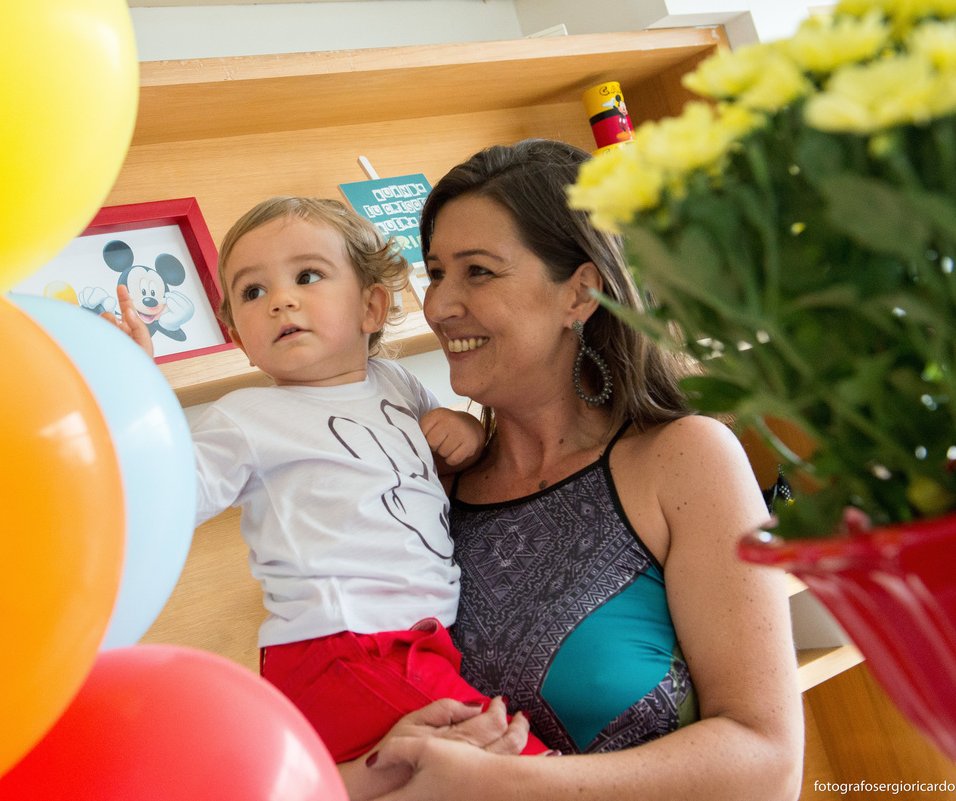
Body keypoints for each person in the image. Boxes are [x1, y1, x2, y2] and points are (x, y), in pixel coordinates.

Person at [336, 140, 804, 801]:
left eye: (478, 272)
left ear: (579, 292)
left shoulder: (684, 458)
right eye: (436, 272)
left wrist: (511, 781)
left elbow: (768, 761)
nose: (440, 304)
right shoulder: (429, 485)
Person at [105, 196, 548, 765]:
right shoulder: (245, 417)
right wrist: (137, 394)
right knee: (514, 761)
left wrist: (462, 429)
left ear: (371, 306)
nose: (280, 300)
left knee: (452, 772)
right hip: (337, 646)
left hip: (419, 640)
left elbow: (431, 466)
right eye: (252, 292)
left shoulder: (399, 385)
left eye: (307, 276)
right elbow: (163, 494)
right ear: (237, 337)